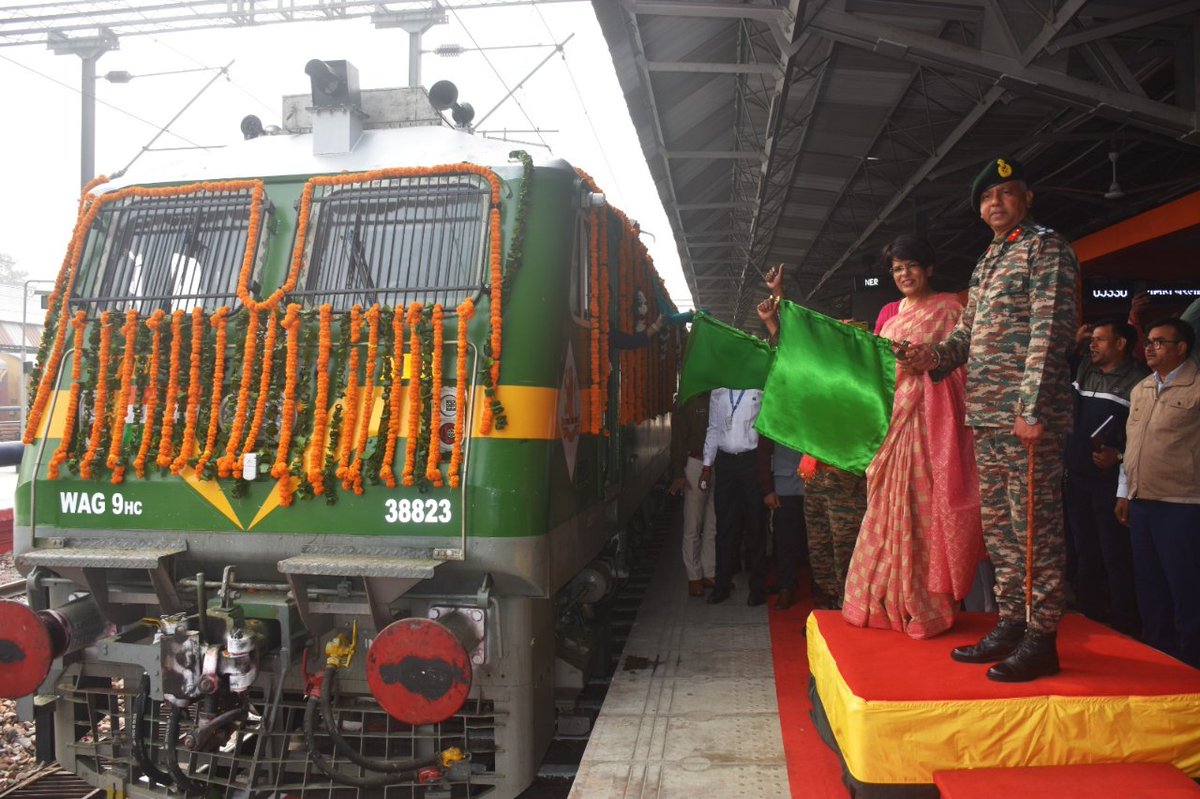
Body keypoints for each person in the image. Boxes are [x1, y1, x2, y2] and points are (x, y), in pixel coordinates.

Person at [903, 156, 1079, 682]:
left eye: (1004, 193)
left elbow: (1051, 331)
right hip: (986, 414)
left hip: (1027, 418)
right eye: (986, 198)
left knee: (1035, 528)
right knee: (1001, 529)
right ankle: (1012, 622)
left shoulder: (1045, 248)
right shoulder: (989, 261)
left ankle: (1042, 637)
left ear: (1026, 199)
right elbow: (966, 337)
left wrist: (1031, 409)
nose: (994, 203)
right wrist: (929, 357)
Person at [841, 235, 983, 639]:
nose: (904, 275)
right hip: (893, 426)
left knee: (921, 515)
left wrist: (926, 365)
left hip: (927, 426)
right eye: (897, 269)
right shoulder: (892, 316)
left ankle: (923, 605)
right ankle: (883, 601)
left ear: (929, 269)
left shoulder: (950, 309)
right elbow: (879, 374)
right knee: (885, 511)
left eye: (911, 266)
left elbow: (964, 370)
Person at [1115, 318, 1200, 668]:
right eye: (1148, 341)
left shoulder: (1196, 388)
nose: (1149, 347)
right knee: (1149, 586)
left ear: (1182, 348)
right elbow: (1130, 443)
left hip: (1182, 504)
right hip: (1141, 502)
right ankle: (1159, 657)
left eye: (1160, 342)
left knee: (1185, 587)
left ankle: (1191, 662)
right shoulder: (1141, 388)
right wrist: (1123, 492)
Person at [1064, 320, 1146, 637]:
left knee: (1115, 554)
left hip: (1111, 481)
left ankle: (1125, 625)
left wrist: (1119, 456)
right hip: (1076, 478)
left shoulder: (1138, 381)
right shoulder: (1083, 368)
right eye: (1091, 340)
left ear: (1121, 344)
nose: (1092, 345)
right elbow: (1054, 364)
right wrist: (1076, 340)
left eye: (1099, 339)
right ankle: (1089, 617)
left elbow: (1140, 434)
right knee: (1083, 551)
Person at [700, 386, 766, 606]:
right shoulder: (718, 392)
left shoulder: (758, 389)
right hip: (725, 463)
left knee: (756, 525)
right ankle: (722, 585)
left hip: (751, 461)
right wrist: (707, 466)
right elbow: (713, 428)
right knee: (726, 526)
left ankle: (757, 587)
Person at [669, 391, 717, 597]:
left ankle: (709, 572)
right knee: (693, 523)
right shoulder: (686, 402)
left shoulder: (720, 396)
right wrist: (678, 473)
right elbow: (678, 441)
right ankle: (694, 577)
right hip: (695, 463)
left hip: (718, 464)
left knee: (713, 524)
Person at [755, 435, 807, 610]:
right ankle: (786, 587)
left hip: (815, 481)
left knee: (819, 540)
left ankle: (824, 589)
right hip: (785, 483)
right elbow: (763, 451)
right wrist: (767, 489)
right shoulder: (776, 408)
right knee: (785, 539)